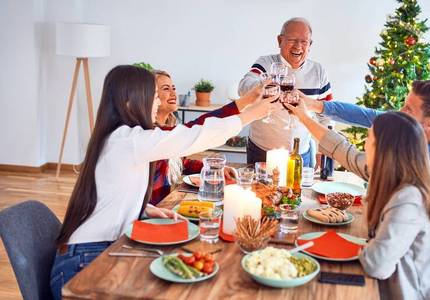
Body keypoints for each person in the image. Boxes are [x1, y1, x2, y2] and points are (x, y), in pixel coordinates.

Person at [50, 65, 272, 299]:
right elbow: (192, 137)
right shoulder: (128, 141)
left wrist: (145, 209)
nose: (157, 104)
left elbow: (109, 194)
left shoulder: (119, 138)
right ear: (130, 102)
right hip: (84, 263)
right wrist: (251, 114)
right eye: (155, 97)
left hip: (96, 249)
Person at [285, 100, 430, 299]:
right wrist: (305, 118)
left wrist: (366, 247)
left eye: (369, 139)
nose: (364, 145)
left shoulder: (409, 199)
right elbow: (346, 153)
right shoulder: (398, 179)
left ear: (383, 150)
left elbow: (377, 265)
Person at [301, 80, 430, 217]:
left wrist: (305, 119)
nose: (400, 111)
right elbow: (368, 115)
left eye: (409, 109)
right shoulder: (420, 130)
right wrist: (314, 105)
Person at [150, 69, 263, 205]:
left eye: (173, 88)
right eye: (165, 89)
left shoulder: (171, 127)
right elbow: (200, 126)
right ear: (150, 97)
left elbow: (181, 163)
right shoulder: (152, 134)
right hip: (152, 209)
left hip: (165, 204)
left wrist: (212, 168)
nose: (173, 93)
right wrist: (248, 103)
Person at [238, 17, 333, 167]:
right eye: (292, 40)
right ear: (279, 40)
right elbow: (243, 87)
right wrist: (266, 84)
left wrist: (325, 149)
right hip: (262, 151)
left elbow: (327, 114)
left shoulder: (318, 71)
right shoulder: (265, 63)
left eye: (304, 41)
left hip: (301, 153)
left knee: (300, 191)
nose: (298, 46)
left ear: (310, 45)